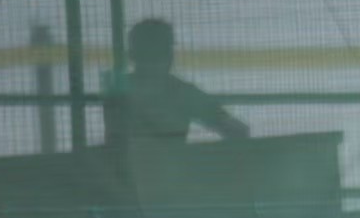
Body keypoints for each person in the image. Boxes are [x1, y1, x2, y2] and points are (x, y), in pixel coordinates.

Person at [103, 18, 250, 146]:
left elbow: (236, 129)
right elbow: (237, 130)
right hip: (170, 167)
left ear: (132, 54)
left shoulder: (119, 88)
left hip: (133, 168)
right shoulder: (184, 92)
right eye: (153, 51)